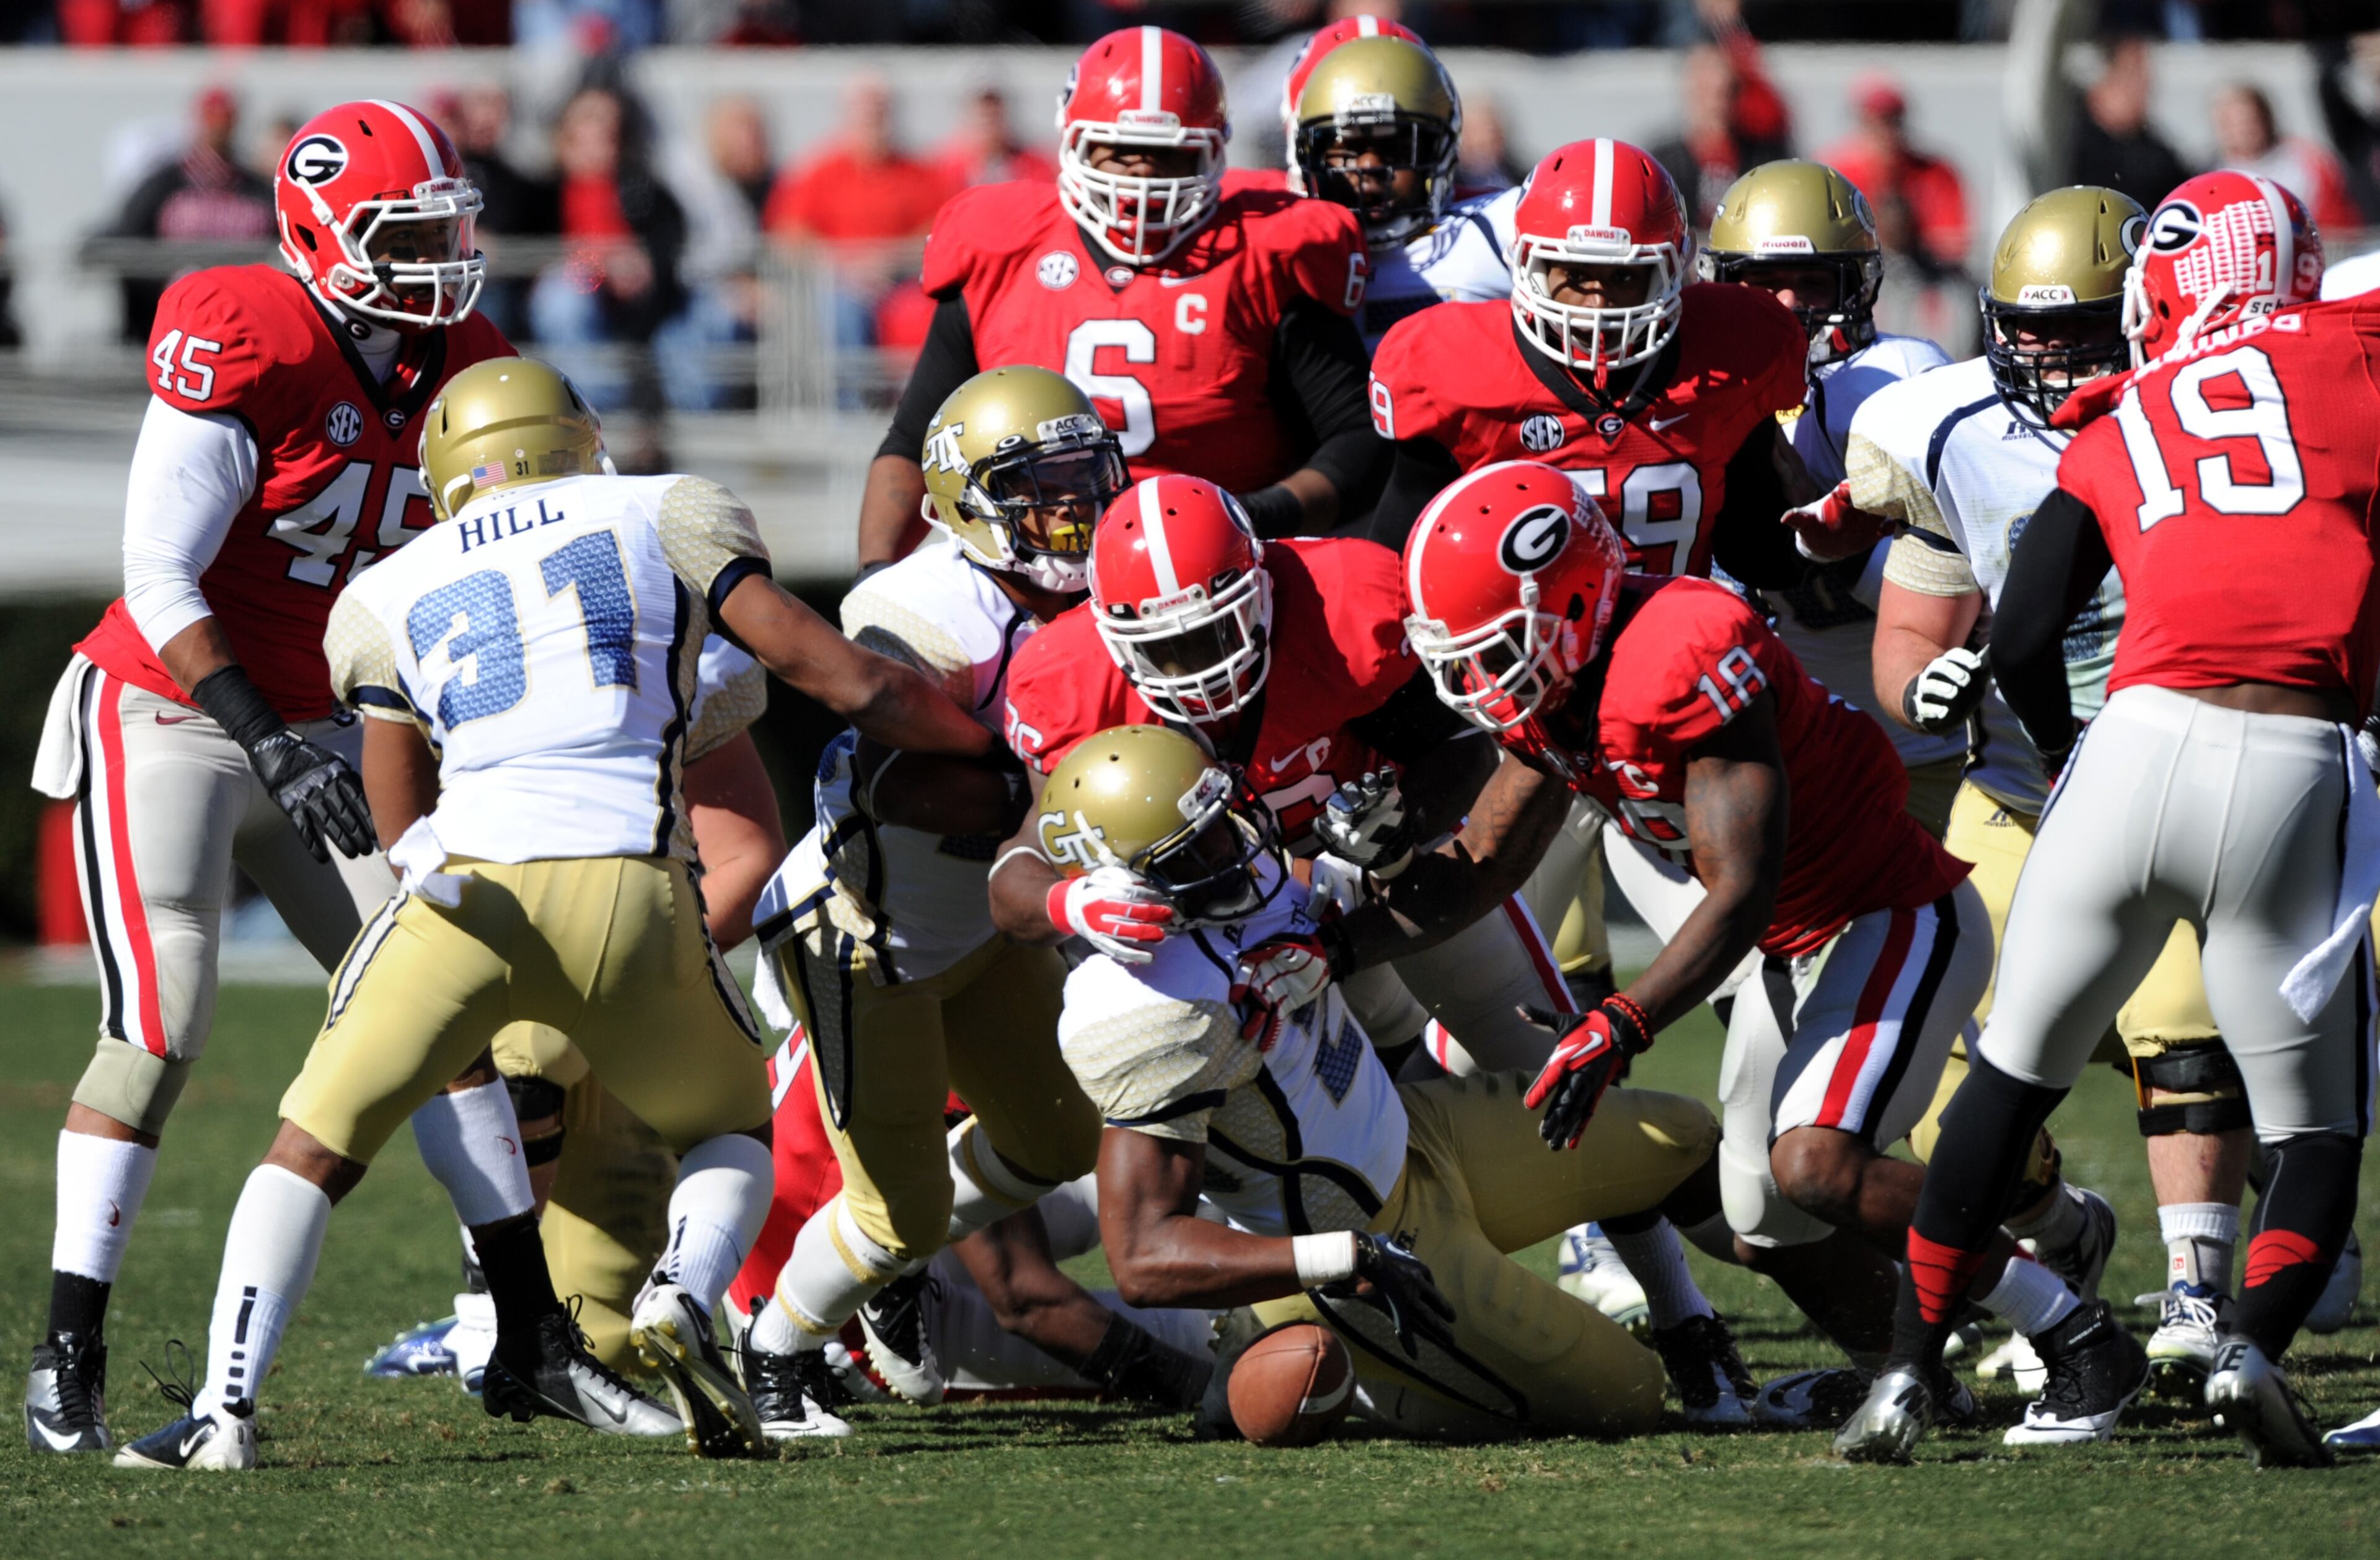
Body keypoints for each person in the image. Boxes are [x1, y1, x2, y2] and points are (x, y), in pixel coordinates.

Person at [110, 355, 1003, 1471]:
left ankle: (222, 1409)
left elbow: (397, 795)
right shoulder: (666, 508)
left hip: (463, 895)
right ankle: (682, 1290)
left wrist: (436, 875)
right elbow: (845, 680)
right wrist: (988, 751)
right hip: (628, 880)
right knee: (727, 1125)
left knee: (309, 1148)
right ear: (577, 438)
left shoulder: (388, 588)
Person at [989, 474, 1764, 1426]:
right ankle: (1306, 1314)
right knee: (1283, 1128)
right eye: (1163, 645)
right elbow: (1022, 864)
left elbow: (1467, 752)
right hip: (1242, 941)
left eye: (1213, 628)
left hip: (1385, 880)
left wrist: (1399, 828)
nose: (1195, 665)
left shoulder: (1346, 607)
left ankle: (1686, 1317)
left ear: (1263, 586)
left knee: (1552, 1063)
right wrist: (1074, 898)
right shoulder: (1071, 685)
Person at [1837, 169, 2366, 1470]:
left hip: (2126, 743)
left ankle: (1902, 1374)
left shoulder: (2117, 414)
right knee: (2314, 1120)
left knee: (2006, 1083)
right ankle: (2246, 1341)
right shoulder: (2351, 349)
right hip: (2300, 745)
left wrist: (2074, 750)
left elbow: (2024, 623)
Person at [23, 100, 518, 1461]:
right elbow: (158, 575)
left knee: (442, 998)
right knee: (162, 1024)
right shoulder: (252, 329)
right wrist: (267, 736)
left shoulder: (468, 358)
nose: (438, 261)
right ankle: (71, 1349)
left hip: (330, 719)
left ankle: (522, 1323)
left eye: (443, 227)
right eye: (403, 236)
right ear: (319, 235)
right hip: (173, 708)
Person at [1399, 461, 2022, 1429]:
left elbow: (1741, 890)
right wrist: (1336, 921)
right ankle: (1920, 1381)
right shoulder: (1564, 686)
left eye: (1503, 647)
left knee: (1817, 1163)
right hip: (1792, 939)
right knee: (1764, 1215)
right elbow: (1481, 861)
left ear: (1572, 595)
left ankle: (2069, 1318)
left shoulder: (1678, 650)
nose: (1488, 679)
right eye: (1468, 657)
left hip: (1879, 909)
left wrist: (1621, 1019)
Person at [1033, 722, 1731, 1442]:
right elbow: (1143, 1258)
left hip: (1423, 1138)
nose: (1235, 849)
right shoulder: (1146, 1014)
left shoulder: (1251, 873)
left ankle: (1694, 1320)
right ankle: (1339, 1361)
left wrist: (1386, 858)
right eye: (1199, 848)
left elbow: (1358, 899)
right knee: (1631, 1398)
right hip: (1362, 1243)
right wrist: (1339, 1259)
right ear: (1127, 889)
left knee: (1683, 1135)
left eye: (1223, 822)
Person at [735, 368, 1119, 1431]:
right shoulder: (923, 604)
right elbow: (903, 772)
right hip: (869, 935)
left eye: (1086, 481)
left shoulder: (1107, 580)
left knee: (1056, 1140)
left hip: (986, 927)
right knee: (895, 1214)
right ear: (967, 504)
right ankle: (776, 1348)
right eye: (1039, 490)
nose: (1073, 511)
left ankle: (883, 1263)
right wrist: (1036, 777)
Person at [855, 27, 1380, 566]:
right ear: (1072, 142)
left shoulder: (1268, 251)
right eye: (1120, 151)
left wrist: (1243, 518)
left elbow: (1358, 443)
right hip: (1025, 568)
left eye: (1165, 154)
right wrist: (875, 576)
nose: (1142, 176)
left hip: (1223, 570)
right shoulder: (1000, 249)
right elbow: (915, 442)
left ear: (1214, 151)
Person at [1281, 33, 1513, 349]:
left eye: (1395, 148)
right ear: (1310, 154)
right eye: (1347, 148)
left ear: (1440, 152)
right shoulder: (1277, 250)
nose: (1369, 167)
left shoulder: (1498, 231)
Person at [527, 86, 688, 414]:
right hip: (576, 297)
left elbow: (670, 243)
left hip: (635, 304)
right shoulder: (540, 192)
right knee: (564, 298)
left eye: (610, 123)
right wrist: (594, 262)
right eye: (590, 120)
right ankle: (598, 410)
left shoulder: (643, 189)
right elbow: (523, 250)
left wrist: (644, 265)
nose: (603, 131)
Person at [99, 87, 275, 344]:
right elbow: (128, 239)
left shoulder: (256, 188)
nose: (217, 131)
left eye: (223, 122)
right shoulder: (164, 184)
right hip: (174, 317)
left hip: (245, 318)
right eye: (211, 122)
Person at [1820, 76, 1969, 278]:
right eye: (1876, 121)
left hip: (1923, 276)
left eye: (1892, 120)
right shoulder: (1835, 175)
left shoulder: (1935, 173)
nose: (1886, 131)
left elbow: (1952, 245)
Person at [1647, 38, 1793, 232]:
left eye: (1725, 81)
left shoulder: (1764, 159)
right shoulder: (1663, 163)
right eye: (1706, 83)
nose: (1718, 86)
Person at [2212, 81, 2362, 236]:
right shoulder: (2212, 177)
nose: (2243, 130)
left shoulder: (2309, 162)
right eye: (2232, 124)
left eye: (2249, 121)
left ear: (2266, 118)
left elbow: (2341, 226)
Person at [2066, 35, 2192, 205]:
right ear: (2103, 83)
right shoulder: (2073, 151)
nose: (2145, 85)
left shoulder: (2158, 152)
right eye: (2132, 74)